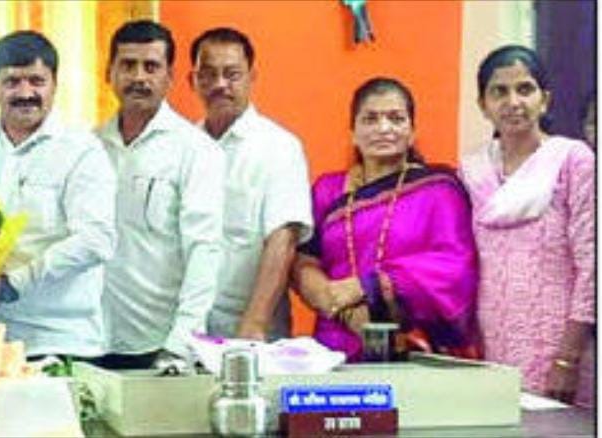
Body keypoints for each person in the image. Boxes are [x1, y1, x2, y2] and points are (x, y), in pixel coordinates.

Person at [0, 31, 117, 360]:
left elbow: (96, 240)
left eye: (37, 81)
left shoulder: (82, 151)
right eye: (12, 82)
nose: (26, 93)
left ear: (54, 84)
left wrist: (12, 285)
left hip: (58, 342)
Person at [293, 77, 480, 363]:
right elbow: (303, 262)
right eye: (370, 119)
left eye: (396, 118)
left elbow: (454, 267)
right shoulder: (328, 190)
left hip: (411, 346)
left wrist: (367, 287)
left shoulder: (438, 190)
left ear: (412, 132)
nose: (383, 128)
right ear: (353, 133)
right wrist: (343, 310)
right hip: (335, 346)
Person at [459, 45, 595, 407]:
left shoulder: (573, 160)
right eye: (499, 92)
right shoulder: (472, 170)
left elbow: (591, 266)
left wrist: (568, 358)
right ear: (483, 104)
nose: (513, 102)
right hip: (493, 344)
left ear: (544, 100)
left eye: (525, 89)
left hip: (560, 347)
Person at [96, 20, 224, 368]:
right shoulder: (89, 148)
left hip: (159, 344)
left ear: (170, 77)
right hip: (91, 339)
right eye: (128, 65)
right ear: (109, 73)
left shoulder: (195, 150)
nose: (139, 77)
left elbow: (204, 250)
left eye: (151, 67)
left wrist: (183, 341)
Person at [188, 27, 313, 342]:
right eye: (209, 74)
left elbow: (283, 239)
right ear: (193, 80)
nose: (220, 84)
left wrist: (254, 324)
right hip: (185, 329)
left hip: (248, 332)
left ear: (251, 77)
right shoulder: (182, 146)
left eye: (232, 74)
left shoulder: (278, 147)